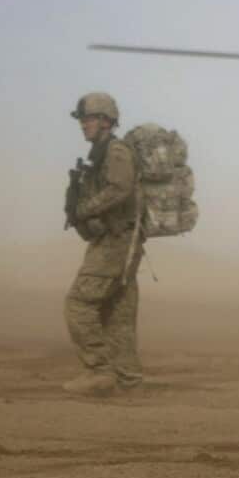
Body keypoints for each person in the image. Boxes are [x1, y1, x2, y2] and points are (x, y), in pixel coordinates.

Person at [63, 92, 144, 396]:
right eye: (82, 120)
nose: (83, 125)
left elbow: (120, 188)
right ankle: (128, 379)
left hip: (115, 242)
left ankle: (99, 370)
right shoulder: (101, 152)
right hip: (121, 242)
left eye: (88, 119)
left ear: (105, 121)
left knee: (79, 304)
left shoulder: (116, 151)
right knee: (118, 313)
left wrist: (86, 209)